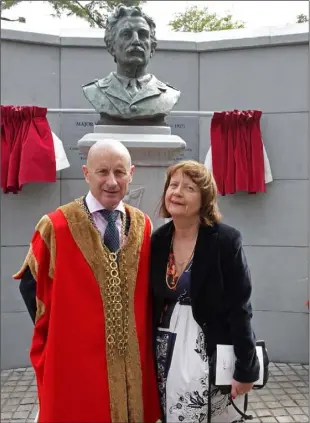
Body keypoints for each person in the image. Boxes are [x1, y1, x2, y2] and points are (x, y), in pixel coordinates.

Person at [14, 139, 161, 423]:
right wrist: (65, 332)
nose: (111, 181)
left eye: (120, 172)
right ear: (86, 173)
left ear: (131, 173)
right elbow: (31, 288)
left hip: (133, 368)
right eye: (102, 171)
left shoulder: (143, 225)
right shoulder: (55, 226)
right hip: (78, 367)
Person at [151, 160, 260, 423]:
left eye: (188, 187)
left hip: (211, 350)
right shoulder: (158, 240)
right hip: (165, 351)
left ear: (205, 198)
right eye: (173, 185)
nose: (177, 192)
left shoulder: (225, 241)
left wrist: (246, 369)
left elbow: (240, 307)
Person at [82, 5, 180, 125]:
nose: (136, 40)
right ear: (111, 46)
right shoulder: (94, 91)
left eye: (143, 34)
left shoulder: (169, 94)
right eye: (126, 34)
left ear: (152, 47)